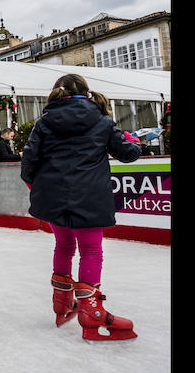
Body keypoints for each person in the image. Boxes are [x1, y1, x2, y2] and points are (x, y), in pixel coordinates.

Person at [21, 73, 141, 341]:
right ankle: (91, 312)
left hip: (52, 197)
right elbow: (128, 153)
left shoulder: (44, 122)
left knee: (63, 245)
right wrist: (134, 141)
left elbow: (29, 160)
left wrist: (36, 188)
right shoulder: (101, 121)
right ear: (87, 94)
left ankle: (62, 303)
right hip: (89, 196)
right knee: (91, 249)